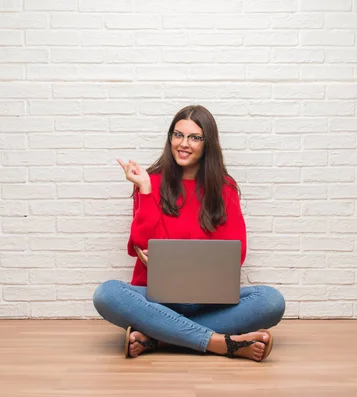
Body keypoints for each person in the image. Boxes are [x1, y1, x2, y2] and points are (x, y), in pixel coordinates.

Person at [93, 105, 285, 361]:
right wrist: (146, 191)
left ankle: (159, 336)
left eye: (195, 137)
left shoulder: (225, 188)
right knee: (107, 294)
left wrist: (179, 264)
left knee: (271, 301)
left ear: (208, 144)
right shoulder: (149, 182)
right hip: (155, 299)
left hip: (209, 300)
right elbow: (141, 244)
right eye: (178, 135)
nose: (184, 144)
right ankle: (218, 342)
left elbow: (234, 255)